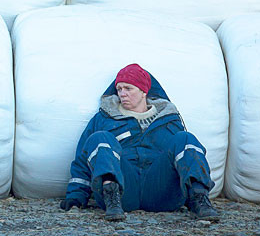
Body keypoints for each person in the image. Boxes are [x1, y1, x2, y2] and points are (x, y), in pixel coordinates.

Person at [59, 63, 220, 221]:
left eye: (128, 88)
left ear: (144, 91)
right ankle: (111, 195)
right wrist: (76, 197)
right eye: (119, 89)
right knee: (100, 137)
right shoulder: (104, 118)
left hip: (161, 193)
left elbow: (187, 159)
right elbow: (83, 158)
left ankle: (199, 200)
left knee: (185, 138)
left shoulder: (169, 120)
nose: (122, 94)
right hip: (122, 194)